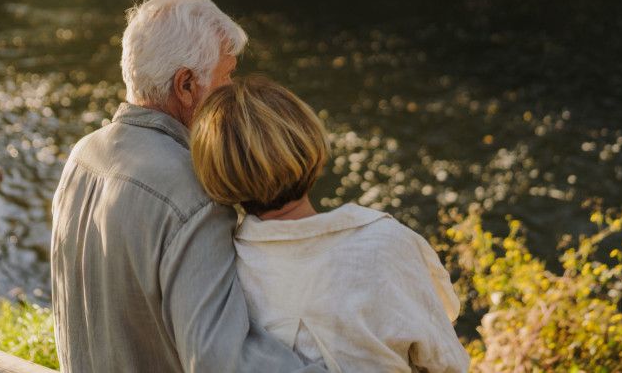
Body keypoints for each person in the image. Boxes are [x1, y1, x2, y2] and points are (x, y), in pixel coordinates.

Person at [50, 0, 325, 372]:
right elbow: (222, 362)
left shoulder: (82, 156)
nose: (232, 91)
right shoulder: (197, 194)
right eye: (227, 76)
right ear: (186, 86)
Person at [190, 76, 471, 373]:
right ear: (307, 139)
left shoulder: (225, 270)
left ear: (218, 173)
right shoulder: (385, 243)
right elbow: (446, 363)